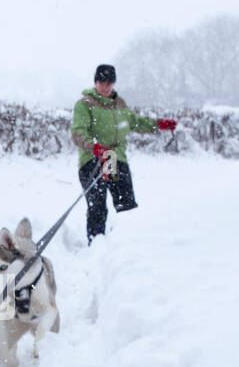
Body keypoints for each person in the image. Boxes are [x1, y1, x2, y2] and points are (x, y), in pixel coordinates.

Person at [71, 64, 176, 243]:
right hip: (93, 159)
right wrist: (95, 148)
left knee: (126, 204)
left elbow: (136, 122)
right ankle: (96, 244)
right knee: (97, 205)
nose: (105, 86)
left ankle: (128, 244)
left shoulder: (119, 104)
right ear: (96, 82)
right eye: (101, 82)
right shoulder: (85, 104)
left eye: (109, 82)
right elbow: (78, 133)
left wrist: (159, 124)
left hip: (116, 157)